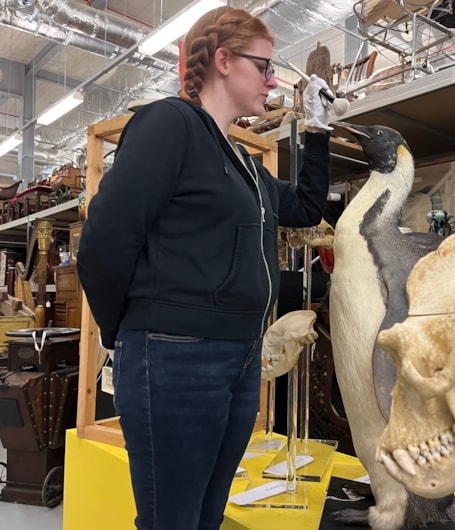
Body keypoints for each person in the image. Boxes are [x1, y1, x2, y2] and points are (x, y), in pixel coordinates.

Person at [77, 6, 332, 530]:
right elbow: (105, 237)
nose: (273, 78)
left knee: (206, 516)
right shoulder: (170, 124)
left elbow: (305, 209)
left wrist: (318, 130)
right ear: (222, 61)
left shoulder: (242, 162)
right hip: (174, 356)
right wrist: (120, 330)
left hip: (238, 357)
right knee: (173, 519)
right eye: (263, 66)